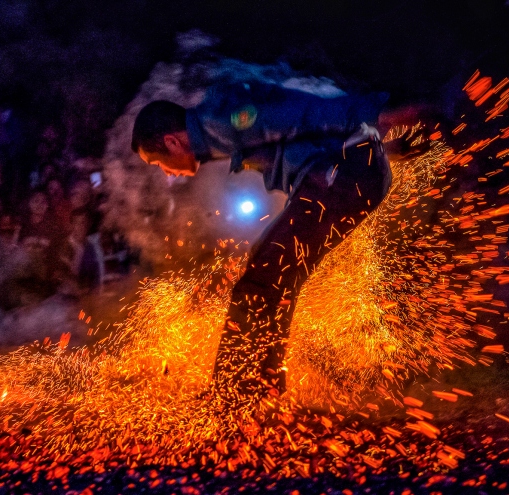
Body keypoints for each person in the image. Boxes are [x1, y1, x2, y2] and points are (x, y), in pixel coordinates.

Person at [131, 80, 399, 406]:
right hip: (349, 173)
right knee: (271, 277)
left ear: (172, 141)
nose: (166, 173)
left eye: (158, 162)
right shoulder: (216, 133)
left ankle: (238, 394)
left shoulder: (221, 118)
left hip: (344, 175)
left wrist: (382, 113)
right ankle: (260, 391)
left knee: (262, 278)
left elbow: (302, 113)